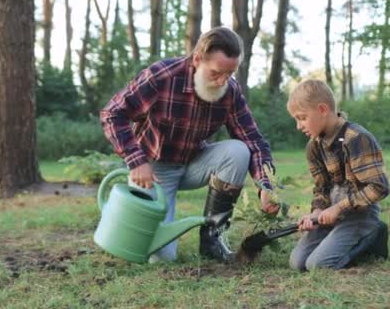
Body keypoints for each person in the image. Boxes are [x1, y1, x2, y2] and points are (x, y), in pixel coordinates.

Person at [100, 27, 279, 263]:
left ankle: (212, 238)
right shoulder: (163, 76)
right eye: (216, 73)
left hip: (195, 161)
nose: (222, 80)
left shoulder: (230, 91)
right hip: (153, 172)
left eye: (230, 73)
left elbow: (254, 140)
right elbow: (112, 114)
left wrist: (266, 186)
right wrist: (136, 161)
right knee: (160, 257)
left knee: (238, 150)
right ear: (197, 59)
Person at [287, 79, 390, 271]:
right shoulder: (313, 147)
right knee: (297, 263)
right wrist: (317, 212)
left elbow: (380, 187)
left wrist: (338, 209)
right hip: (331, 214)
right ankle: (336, 236)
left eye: (301, 118)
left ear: (322, 109)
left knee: (317, 265)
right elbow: (321, 188)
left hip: (360, 215)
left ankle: (374, 234)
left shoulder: (357, 138)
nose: (298, 126)